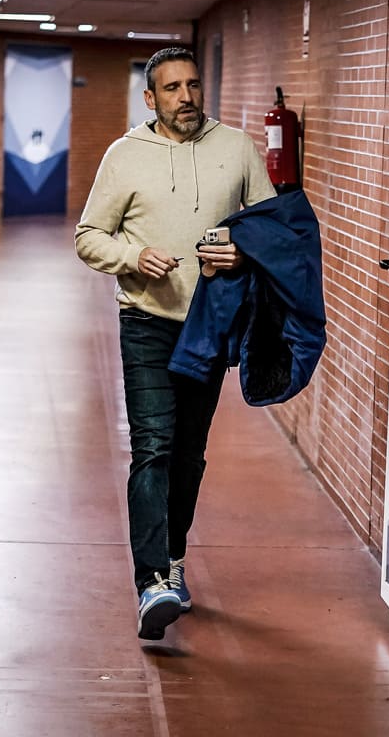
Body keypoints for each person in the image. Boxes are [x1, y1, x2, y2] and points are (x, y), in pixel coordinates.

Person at [74, 47, 275, 640]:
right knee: (154, 447)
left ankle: (175, 558)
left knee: (188, 453)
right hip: (146, 320)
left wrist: (243, 254)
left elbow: (268, 229)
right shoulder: (124, 156)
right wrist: (133, 256)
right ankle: (152, 581)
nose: (185, 97)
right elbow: (89, 237)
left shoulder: (237, 149)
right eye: (171, 89)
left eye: (192, 86)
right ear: (150, 98)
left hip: (209, 325)